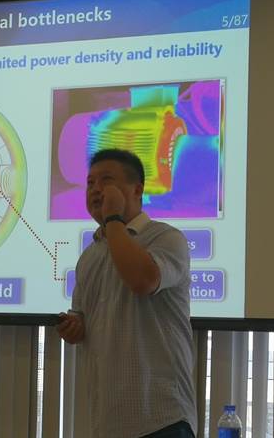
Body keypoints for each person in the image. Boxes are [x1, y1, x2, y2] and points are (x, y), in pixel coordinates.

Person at [56, 148, 196, 438]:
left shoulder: (166, 238)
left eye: (106, 180)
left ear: (137, 190)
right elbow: (81, 320)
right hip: (109, 422)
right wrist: (74, 327)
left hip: (162, 420)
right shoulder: (89, 256)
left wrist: (114, 220)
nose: (95, 189)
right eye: (90, 183)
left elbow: (143, 280)